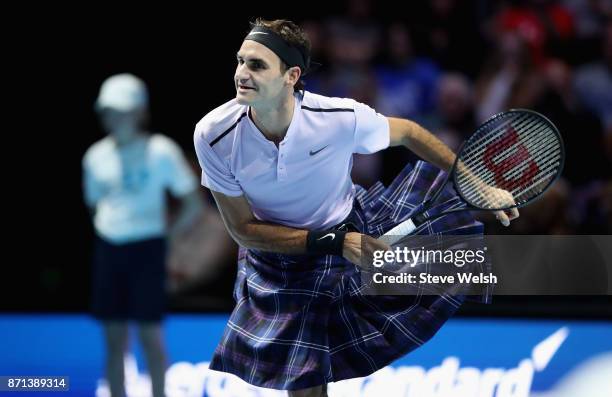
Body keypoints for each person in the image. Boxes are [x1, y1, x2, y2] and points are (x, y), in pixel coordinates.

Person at [193, 19, 518, 397]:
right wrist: (335, 242)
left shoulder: (337, 118)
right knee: (304, 384)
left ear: (291, 75)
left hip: (350, 227)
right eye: (240, 61)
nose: (241, 74)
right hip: (276, 259)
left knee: (457, 265)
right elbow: (243, 230)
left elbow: (410, 133)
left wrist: (477, 186)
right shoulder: (213, 134)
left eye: (257, 65)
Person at [83, 73, 203, 397]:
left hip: (147, 251)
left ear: (141, 112)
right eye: (109, 111)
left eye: (123, 110)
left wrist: (165, 235)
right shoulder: (94, 157)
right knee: (114, 341)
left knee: (150, 337)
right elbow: (96, 207)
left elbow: (193, 203)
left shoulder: (161, 151)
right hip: (109, 251)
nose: (115, 118)